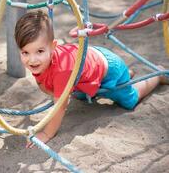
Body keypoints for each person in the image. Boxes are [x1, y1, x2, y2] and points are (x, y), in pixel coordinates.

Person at [14, 10, 169, 148]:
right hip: (90, 64)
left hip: (109, 69)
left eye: (39, 51)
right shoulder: (43, 61)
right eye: (25, 52)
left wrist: (47, 134)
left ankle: (157, 75)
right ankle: (127, 74)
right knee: (79, 95)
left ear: (53, 47)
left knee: (130, 100)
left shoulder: (63, 70)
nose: (32, 60)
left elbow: (60, 107)